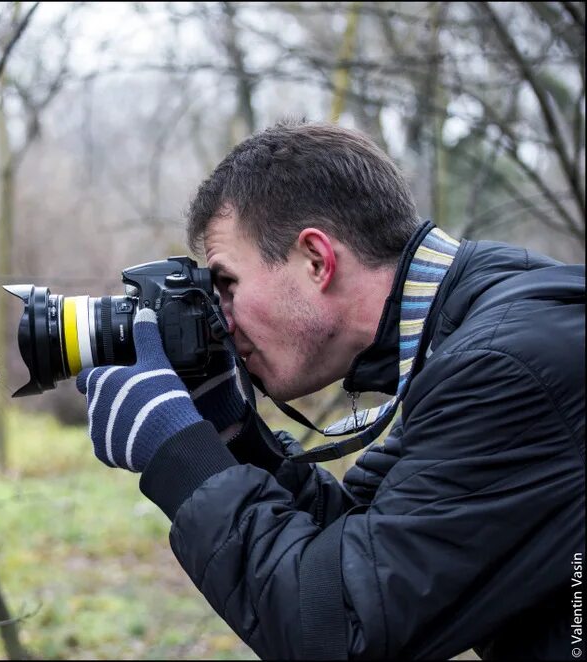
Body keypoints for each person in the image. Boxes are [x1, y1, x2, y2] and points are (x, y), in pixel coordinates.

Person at [76, 120, 585, 659]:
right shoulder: (471, 332)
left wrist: (178, 452)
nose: (221, 319)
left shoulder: (507, 367)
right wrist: (233, 439)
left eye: (227, 284)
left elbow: (341, 627)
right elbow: (367, 547)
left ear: (316, 259)